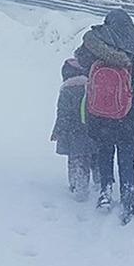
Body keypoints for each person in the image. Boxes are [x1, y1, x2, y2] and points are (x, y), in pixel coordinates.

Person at [74, 10, 134, 224]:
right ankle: (128, 199)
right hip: (129, 117)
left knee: (105, 153)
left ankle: (105, 192)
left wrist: (96, 43)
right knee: (127, 159)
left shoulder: (96, 48)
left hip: (100, 116)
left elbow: (79, 59)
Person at [51, 58, 101, 201]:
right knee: (95, 157)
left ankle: (78, 187)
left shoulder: (66, 90)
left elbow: (63, 113)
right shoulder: (91, 86)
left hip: (74, 132)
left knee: (77, 160)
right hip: (93, 130)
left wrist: (58, 130)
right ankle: (99, 182)